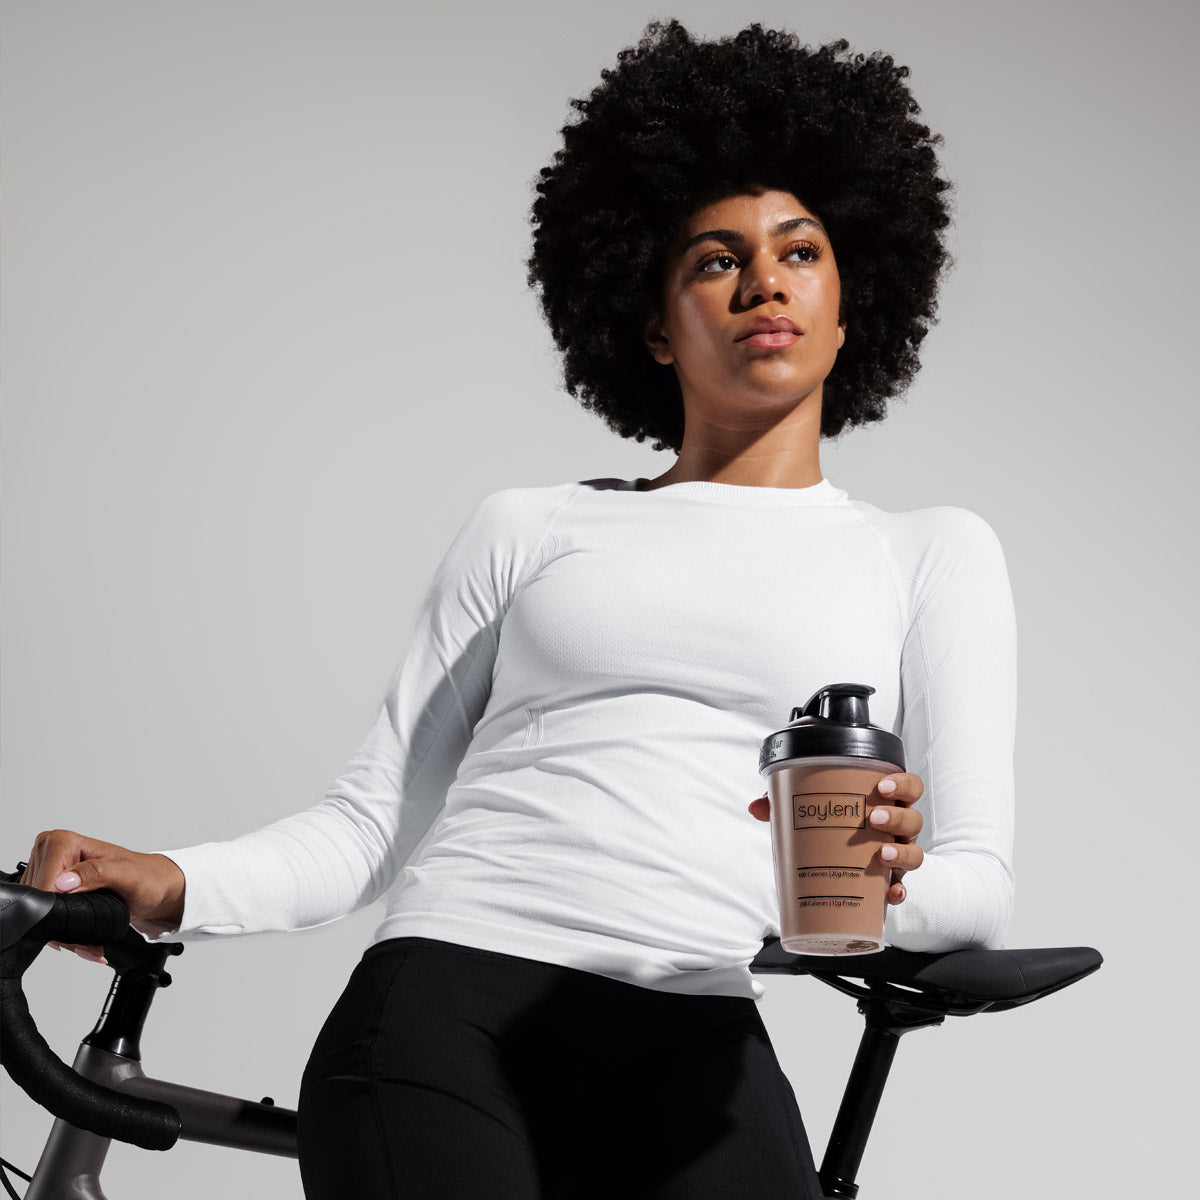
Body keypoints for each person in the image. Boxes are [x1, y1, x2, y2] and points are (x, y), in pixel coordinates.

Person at [20, 21, 1016, 1199]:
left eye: (800, 252)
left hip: (696, 1035)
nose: (762, 281)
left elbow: (976, 887)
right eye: (712, 259)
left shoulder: (927, 554)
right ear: (652, 325)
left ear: (852, 306)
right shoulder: (531, 527)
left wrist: (883, 887)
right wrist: (169, 877)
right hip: (454, 1007)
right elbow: (367, 828)